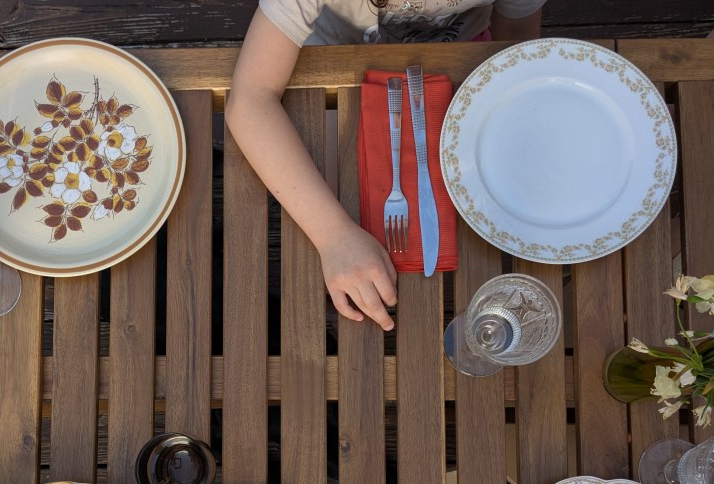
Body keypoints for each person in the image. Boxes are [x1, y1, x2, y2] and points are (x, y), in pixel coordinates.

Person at [225, 0, 548, 332]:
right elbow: (250, 98)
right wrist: (333, 235)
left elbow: (516, 44)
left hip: (461, 69)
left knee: (479, 243)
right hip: (330, 71)